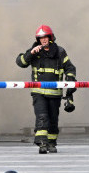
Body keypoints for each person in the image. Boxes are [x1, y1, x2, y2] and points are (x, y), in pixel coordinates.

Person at [16, 24, 77, 154]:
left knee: (53, 119)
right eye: (40, 38)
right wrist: (31, 53)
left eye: (45, 37)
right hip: (39, 93)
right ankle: (42, 143)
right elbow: (20, 62)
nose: (43, 40)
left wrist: (70, 81)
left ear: (50, 38)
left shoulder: (60, 52)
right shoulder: (34, 52)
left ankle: (51, 143)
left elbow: (70, 68)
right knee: (42, 117)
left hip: (55, 94)